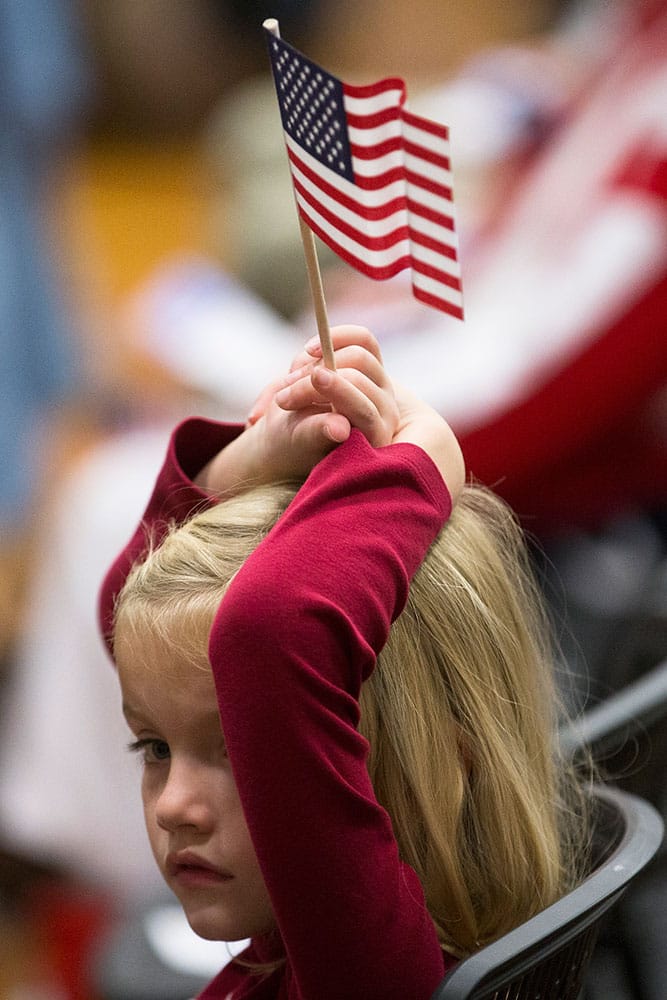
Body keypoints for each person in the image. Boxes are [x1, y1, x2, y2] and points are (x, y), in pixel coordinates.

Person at [98, 326, 588, 999]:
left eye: (245, 747)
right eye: (154, 747)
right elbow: (146, 634)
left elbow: (270, 640)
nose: (174, 807)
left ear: (442, 766)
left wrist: (420, 463)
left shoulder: (367, 972)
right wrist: (241, 467)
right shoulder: (322, 937)